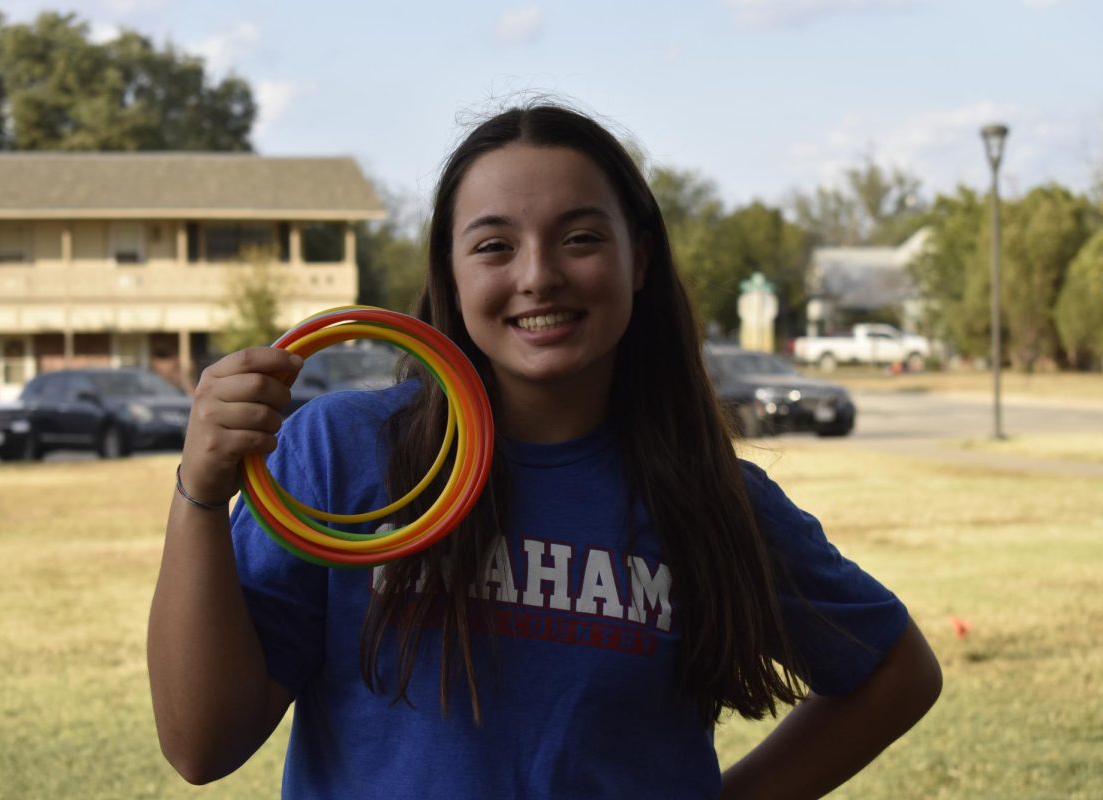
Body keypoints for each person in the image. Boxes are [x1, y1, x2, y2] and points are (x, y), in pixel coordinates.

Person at [147, 103, 942, 799]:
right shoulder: (343, 455)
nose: (539, 276)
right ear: (451, 277)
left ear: (641, 259)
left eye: (581, 237)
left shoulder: (711, 498)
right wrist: (201, 494)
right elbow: (200, 746)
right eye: (494, 247)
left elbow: (896, 673)